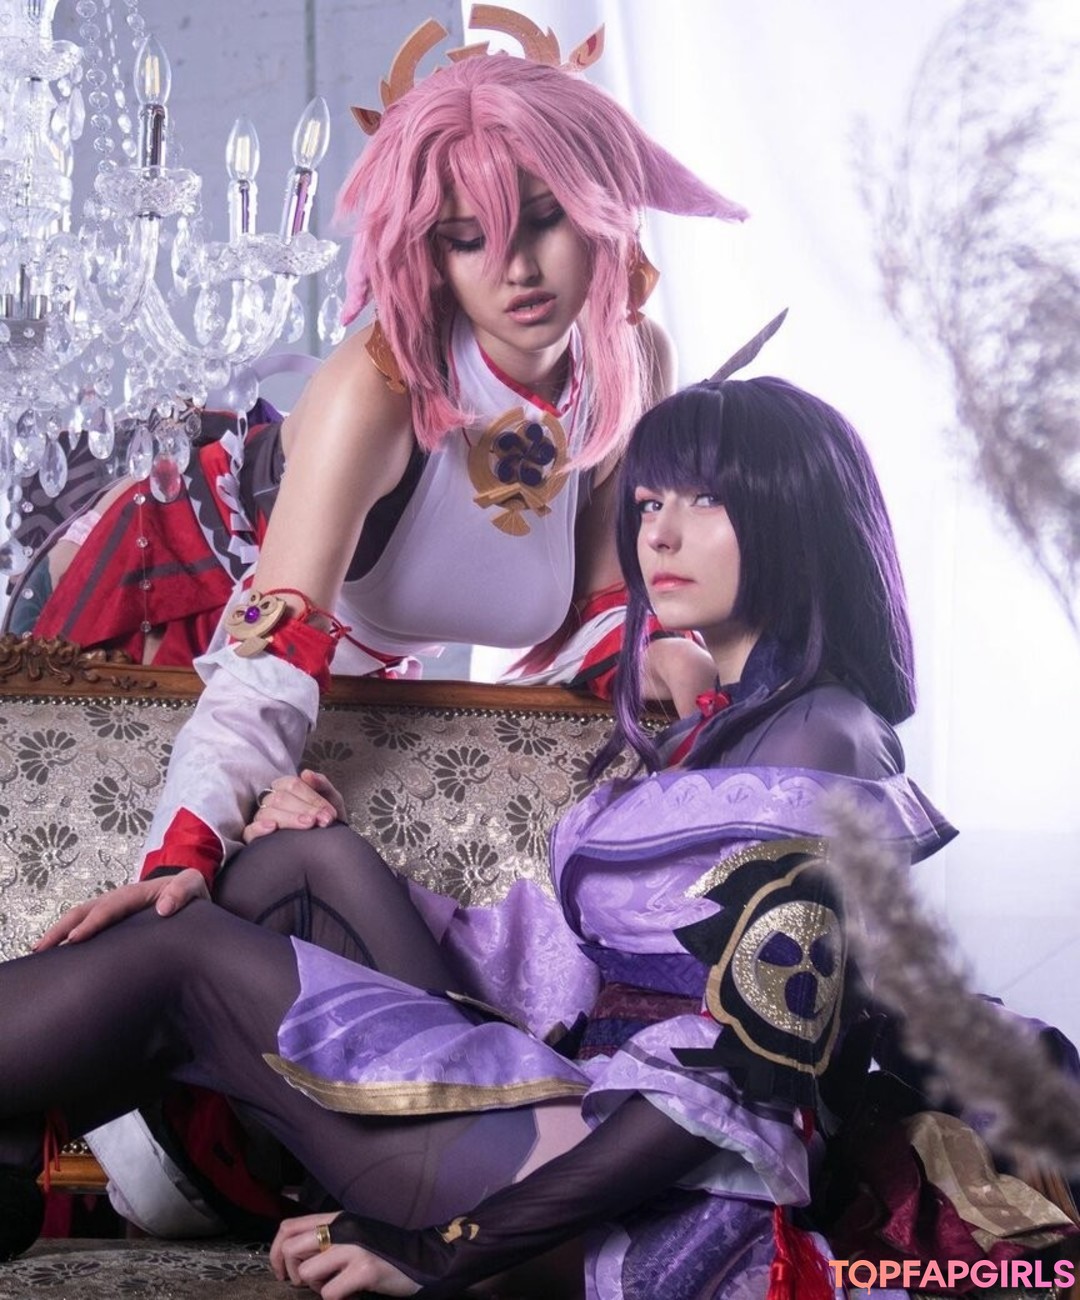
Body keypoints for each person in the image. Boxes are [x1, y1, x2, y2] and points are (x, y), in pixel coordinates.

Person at [12, 374, 1066, 1300]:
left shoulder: (823, 739)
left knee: (182, 954)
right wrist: (306, 830)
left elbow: (737, 1080)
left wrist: (438, 1250)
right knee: (301, 861)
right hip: (585, 1094)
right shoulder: (729, 725)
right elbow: (593, 962)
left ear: (799, 513)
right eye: (649, 502)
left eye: (706, 501)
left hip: (666, 1197)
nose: (658, 535)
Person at [30, 7, 741, 943]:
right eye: (468, 236)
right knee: (134, 920)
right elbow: (264, 667)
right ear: (428, 250)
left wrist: (670, 660)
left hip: (353, 679)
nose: (517, 269)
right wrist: (182, 855)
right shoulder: (377, 388)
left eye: (546, 218)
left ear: (601, 206)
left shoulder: (631, 358)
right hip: (186, 608)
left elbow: (599, 612)